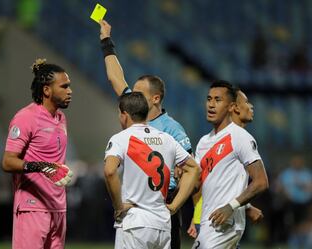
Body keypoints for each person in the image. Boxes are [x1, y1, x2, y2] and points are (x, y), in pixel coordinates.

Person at [99, 20, 192, 249]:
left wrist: (174, 205)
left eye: (138, 92)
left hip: (161, 206)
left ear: (156, 99)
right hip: (141, 207)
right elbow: (115, 78)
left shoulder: (172, 129)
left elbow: (187, 171)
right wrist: (105, 41)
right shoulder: (135, 110)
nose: (131, 95)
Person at [104, 92, 200, 249]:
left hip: (136, 222)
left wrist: (118, 207)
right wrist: (175, 206)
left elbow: (109, 171)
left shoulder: (121, 138)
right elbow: (194, 168)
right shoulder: (167, 139)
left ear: (125, 114)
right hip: (162, 222)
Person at [2, 58, 73, 249]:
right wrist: (40, 166)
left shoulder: (61, 118)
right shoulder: (26, 117)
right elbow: (8, 162)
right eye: (64, 86)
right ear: (47, 90)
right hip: (32, 207)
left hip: (58, 207)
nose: (70, 91)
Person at [192, 81, 269, 249]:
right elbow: (200, 184)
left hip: (224, 224)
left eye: (218, 100)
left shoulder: (240, 137)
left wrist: (231, 207)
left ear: (230, 106)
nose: (211, 105)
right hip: (208, 220)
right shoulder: (204, 142)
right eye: (209, 99)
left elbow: (261, 182)